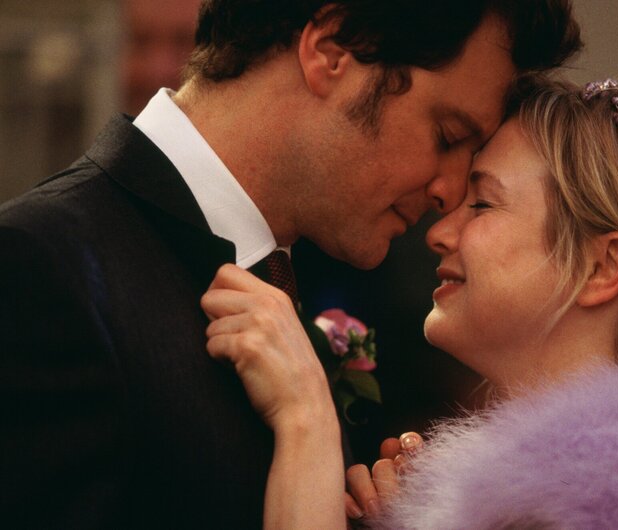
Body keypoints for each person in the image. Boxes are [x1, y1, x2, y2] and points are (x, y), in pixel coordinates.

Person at [0, 1, 582, 528]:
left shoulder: (285, 272)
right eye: (447, 134)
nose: (449, 191)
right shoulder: (40, 265)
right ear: (330, 50)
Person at [202, 76, 618, 528]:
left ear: (603, 266)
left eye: (483, 204)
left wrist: (307, 426)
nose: (439, 232)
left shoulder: (603, 505)